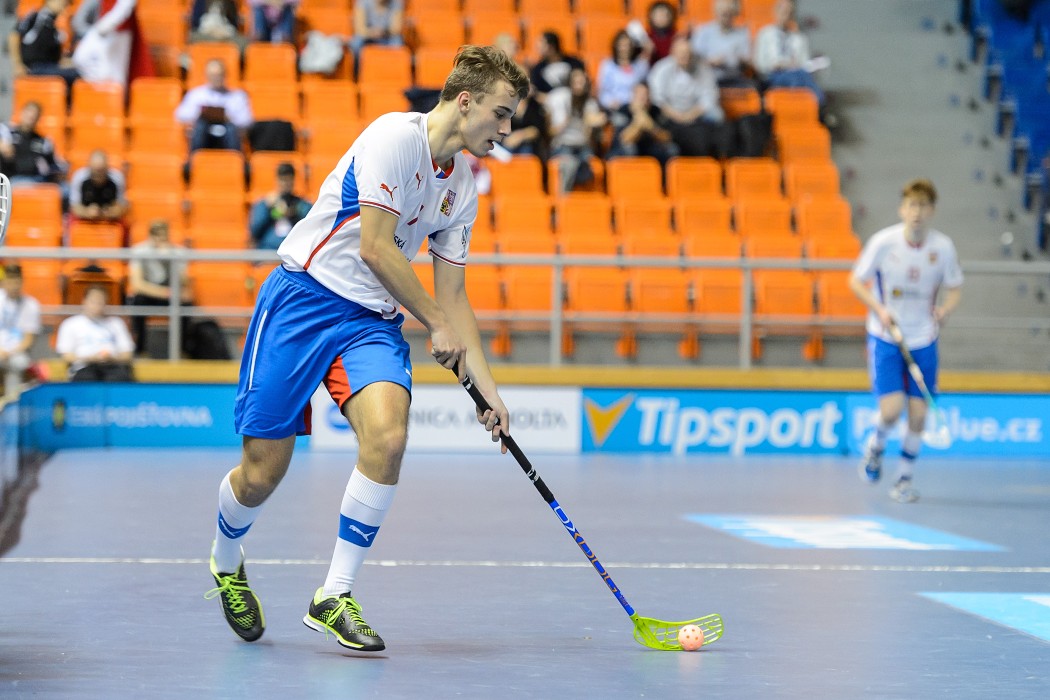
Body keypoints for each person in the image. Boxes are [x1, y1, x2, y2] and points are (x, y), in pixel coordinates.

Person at [203, 45, 528, 651]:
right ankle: (225, 560)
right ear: (466, 102)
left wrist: (490, 392)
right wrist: (434, 322)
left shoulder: (462, 187)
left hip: (370, 320)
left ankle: (334, 594)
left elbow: (453, 296)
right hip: (303, 298)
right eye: (502, 114)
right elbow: (377, 249)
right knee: (262, 472)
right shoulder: (392, 138)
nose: (507, 130)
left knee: (389, 437)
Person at [849, 179, 963, 503]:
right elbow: (855, 281)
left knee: (918, 416)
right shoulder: (883, 243)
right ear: (902, 209)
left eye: (923, 206)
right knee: (890, 411)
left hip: (924, 338)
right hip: (887, 337)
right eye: (912, 205)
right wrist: (879, 309)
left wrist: (945, 311)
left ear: (932, 211)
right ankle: (875, 447)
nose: (917, 212)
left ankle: (903, 479)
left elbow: (955, 287)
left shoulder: (943, 248)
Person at [646, 35, 731, 159]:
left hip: (695, 111)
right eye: (681, 53)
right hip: (669, 111)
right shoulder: (661, 69)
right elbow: (657, 99)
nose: (685, 56)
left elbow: (709, 97)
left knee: (717, 114)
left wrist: (690, 115)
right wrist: (677, 116)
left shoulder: (703, 68)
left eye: (688, 53)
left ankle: (718, 156)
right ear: (673, 53)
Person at [126, 219, 192, 356]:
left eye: (164, 237)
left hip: (172, 291)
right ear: (151, 237)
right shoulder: (139, 251)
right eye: (158, 237)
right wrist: (166, 293)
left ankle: (182, 350)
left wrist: (171, 262)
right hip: (150, 293)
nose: (162, 242)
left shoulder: (178, 252)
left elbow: (185, 283)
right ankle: (140, 350)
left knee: (187, 304)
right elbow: (137, 285)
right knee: (137, 302)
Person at [55, 285, 136, 382]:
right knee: (86, 379)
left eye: (100, 302)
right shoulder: (70, 324)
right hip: (83, 368)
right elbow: (67, 356)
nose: (97, 306)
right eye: (93, 301)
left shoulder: (116, 323)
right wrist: (90, 358)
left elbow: (127, 354)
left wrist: (112, 358)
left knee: (121, 379)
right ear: (84, 301)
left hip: (113, 368)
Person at [546, 67, 607, 194]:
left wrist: (591, 126)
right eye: (576, 82)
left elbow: (589, 137)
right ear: (570, 83)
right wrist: (565, 121)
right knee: (570, 163)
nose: (579, 86)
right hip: (563, 144)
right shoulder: (561, 99)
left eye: (582, 82)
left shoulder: (590, 104)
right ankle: (564, 197)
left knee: (587, 164)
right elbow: (551, 132)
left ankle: (581, 194)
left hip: (582, 145)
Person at [753, 0, 825, 106]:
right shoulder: (765, 34)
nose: (786, 16)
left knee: (801, 76)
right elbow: (759, 64)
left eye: (789, 13)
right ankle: (815, 104)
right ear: (776, 12)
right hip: (773, 76)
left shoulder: (799, 38)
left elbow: (805, 64)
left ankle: (816, 103)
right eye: (783, 12)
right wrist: (775, 65)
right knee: (798, 79)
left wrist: (793, 65)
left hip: (796, 73)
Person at [175, 58, 254, 152]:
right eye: (212, 75)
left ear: (225, 75)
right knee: (200, 127)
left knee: (231, 129)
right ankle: (194, 158)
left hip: (228, 133)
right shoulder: (196, 94)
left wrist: (228, 117)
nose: (216, 78)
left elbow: (246, 120)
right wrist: (199, 113)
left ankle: (235, 158)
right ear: (206, 75)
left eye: (219, 75)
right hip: (203, 132)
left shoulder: (237, 96)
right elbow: (180, 115)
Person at [71, 0, 155, 85]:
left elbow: (125, 6)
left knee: (116, 75)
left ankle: (110, 91)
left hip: (119, 31)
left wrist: (108, 24)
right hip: (102, 27)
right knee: (83, 59)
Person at [8, 0, 80, 88]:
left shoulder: (55, 26)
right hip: (34, 67)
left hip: (50, 67)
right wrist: (17, 64)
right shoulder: (36, 16)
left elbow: (57, 58)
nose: (64, 5)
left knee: (81, 72)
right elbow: (14, 36)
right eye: (62, 2)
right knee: (76, 74)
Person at [607, 82, 677, 166]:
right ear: (633, 96)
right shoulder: (623, 111)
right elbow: (625, 139)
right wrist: (638, 122)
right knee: (630, 148)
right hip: (622, 150)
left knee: (672, 149)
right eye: (640, 96)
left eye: (646, 96)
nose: (643, 100)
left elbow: (666, 138)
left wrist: (651, 126)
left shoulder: (656, 111)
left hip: (650, 147)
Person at [0, 264, 43, 398]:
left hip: (17, 352)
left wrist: (9, 352)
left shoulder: (31, 304)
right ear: (4, 282)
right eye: (10, 282)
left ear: (22, 282)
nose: (14, 287)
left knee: (18, 363)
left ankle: (10, 402)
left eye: (16, 283)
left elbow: (28, 339)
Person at [0, 102, 67, 187]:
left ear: (38, 118)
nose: (31, 117)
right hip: (13, 178)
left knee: (65, 188)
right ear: (22, 113)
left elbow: (54, 165)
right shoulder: (7, 133)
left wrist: (60, 171)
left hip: (37, 179)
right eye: (29, 113)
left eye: (34, 115)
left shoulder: (43, 141)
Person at [248, 162, 312, 250]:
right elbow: (254, 231)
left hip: (293, 251)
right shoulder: (265, 203)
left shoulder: (302, 205)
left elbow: (309, 229)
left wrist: (293, 213)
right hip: (268, 251)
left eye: (288, 180)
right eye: (282, 180)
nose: (285, 184)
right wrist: (267, 208)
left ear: (293, 181)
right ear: (277, 180)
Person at [689, 0, 753, 87]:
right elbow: (694, 59)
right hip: (709, 79)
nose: (726, 17)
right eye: (723, 14)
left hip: (734, 77)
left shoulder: (741, 33)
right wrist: (710, 62)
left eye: (729, 14)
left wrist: (741, 60)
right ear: (716, 13)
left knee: (752, 87)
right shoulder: (703, 32)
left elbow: (748, 61)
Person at [596, 30, 650, 114]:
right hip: (614, 108)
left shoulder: (641, 65)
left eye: (628, 45)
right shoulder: (607, 65)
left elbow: (645, 87)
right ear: (616, 46)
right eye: (622, 45)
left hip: (636, 107)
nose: (625, 49)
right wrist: (609, 102)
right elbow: (602, 91)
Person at [68, 148, 128, 222]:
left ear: (107, 168)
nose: (98, 174)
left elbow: (122, 207)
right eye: (95, 170)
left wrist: (108, 213)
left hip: (110, 220)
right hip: (84, 219)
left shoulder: (117, 178)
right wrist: (87, 212)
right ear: (89, 167)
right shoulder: (79, 177)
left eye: (101, 170)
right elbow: (74, 206)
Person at [349, 0, 403, 73]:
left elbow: (396, 29)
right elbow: (359, 29)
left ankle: (393, 71)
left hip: (387, 37)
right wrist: (372, 33)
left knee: (397, 42)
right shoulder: (363, 2)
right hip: (367, 36)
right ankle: (356, 72)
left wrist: (383, 32)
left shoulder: (396, 3)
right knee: (356, 43)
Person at [529, 30, 585, 102]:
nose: (538, 47)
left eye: (542, 43)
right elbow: (536, 92)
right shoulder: (538, 69)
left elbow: (581, 84)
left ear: (551, 46)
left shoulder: (574, 63)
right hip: (548, 105)